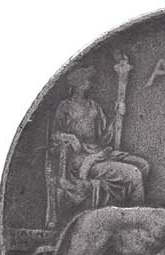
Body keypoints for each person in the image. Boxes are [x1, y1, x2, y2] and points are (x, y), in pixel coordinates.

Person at [52, 66, 149, 207]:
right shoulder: (65, 107)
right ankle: (135, 216)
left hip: (100, 152)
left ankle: (123, 206)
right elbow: (54, 135)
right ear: (78, 84)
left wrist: (117, 115)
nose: (90, 83)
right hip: (81, 159)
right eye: (87, 80)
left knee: (143, 165)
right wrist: (69, 137)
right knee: (135, 174)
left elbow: (104, 137)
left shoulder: (94, 107)